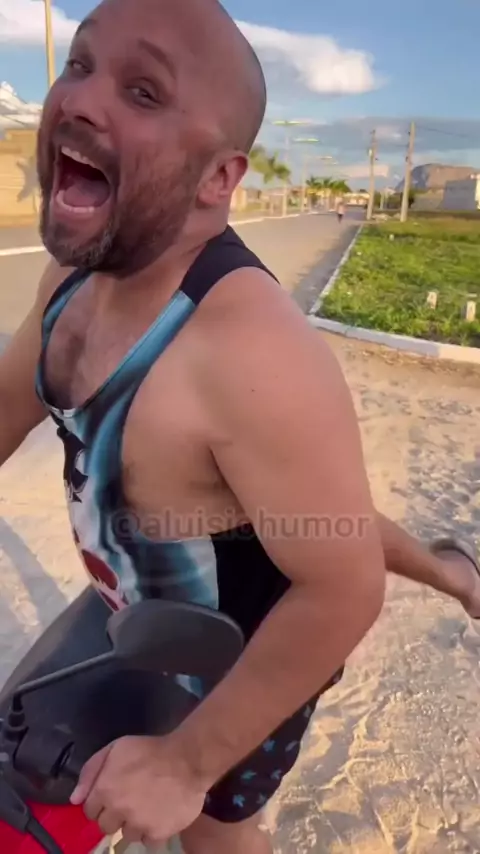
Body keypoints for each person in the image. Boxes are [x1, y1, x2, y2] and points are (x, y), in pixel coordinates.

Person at [0, 0, 478, 850]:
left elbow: (341, 591)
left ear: (219, 179)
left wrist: (187, 764)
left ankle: (448, 573)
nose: (80, 99)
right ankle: (450, 568)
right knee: (288, 502)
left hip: (253, 643)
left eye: (143, 92)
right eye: (80, 63)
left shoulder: (252, 355)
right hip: (164, 573)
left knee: (213, 829)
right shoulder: (70, 280)